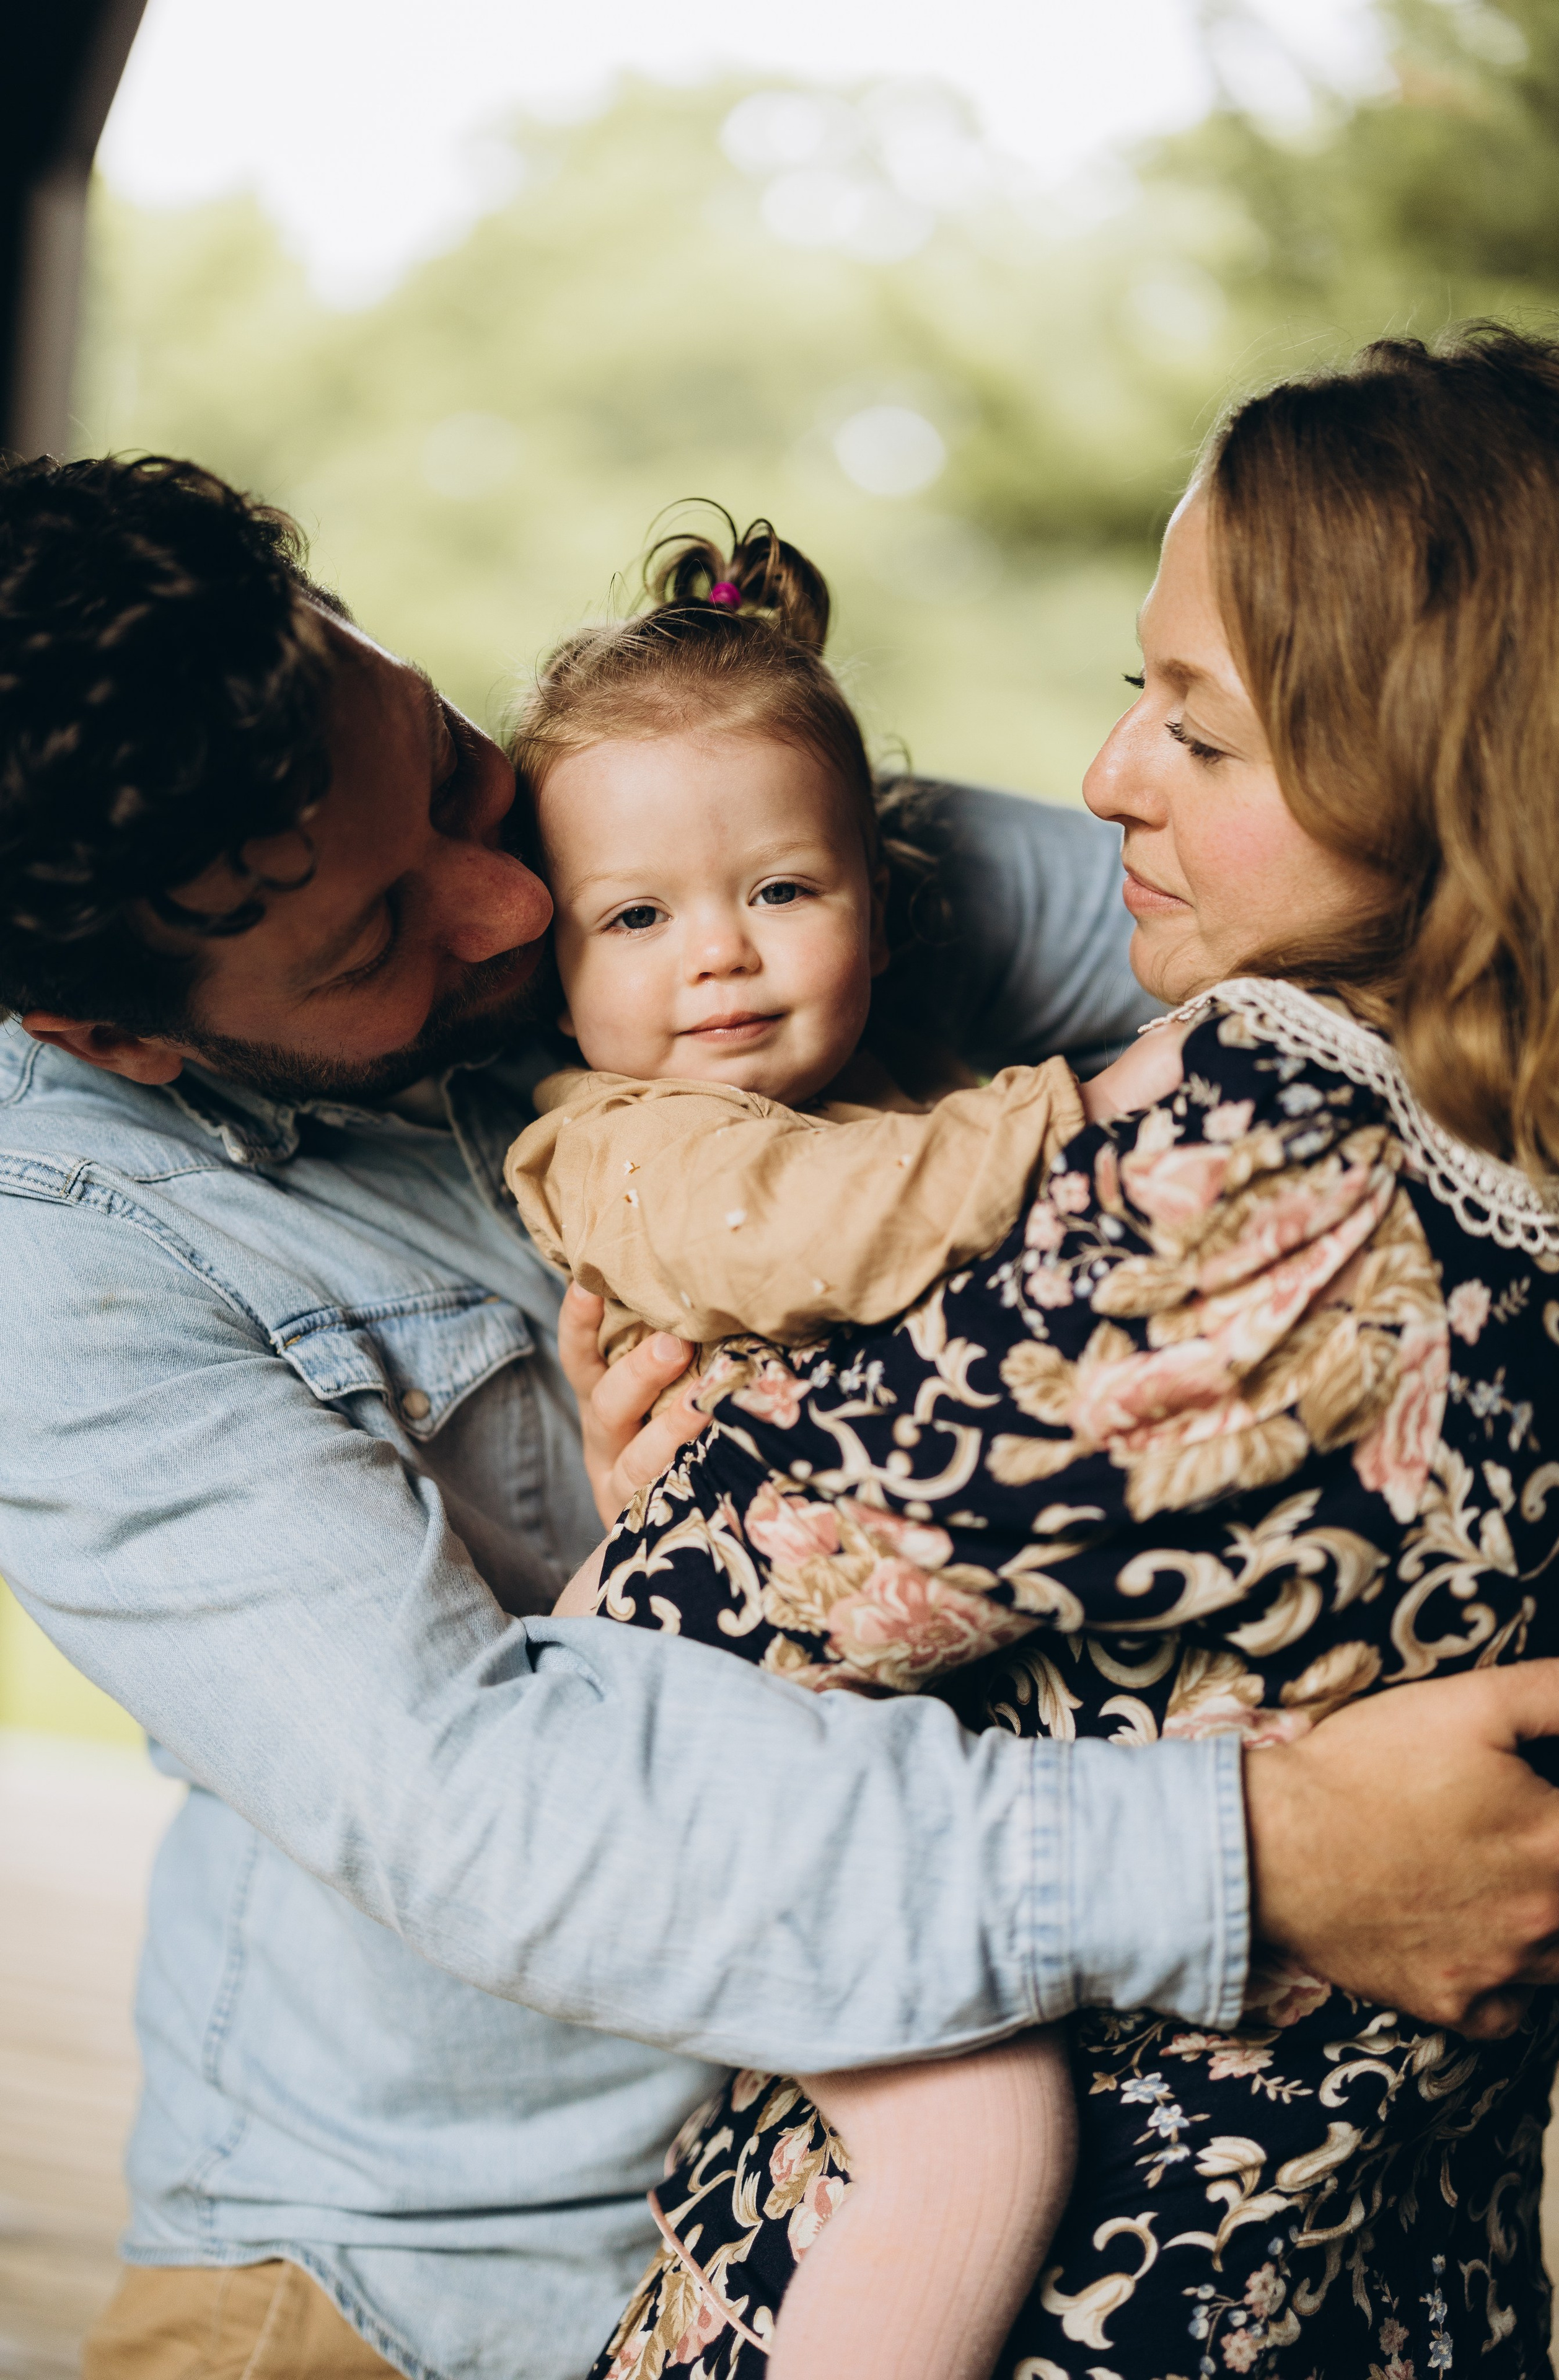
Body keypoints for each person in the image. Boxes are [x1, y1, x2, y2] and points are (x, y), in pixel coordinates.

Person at [0, 452, 1559, 2380]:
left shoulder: (709, 840)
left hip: (853, 2207)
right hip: (414, 2272)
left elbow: (1360, 915)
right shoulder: (60, 1260)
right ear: (119, 1036)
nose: (515, 910)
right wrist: (1272, 1851)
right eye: (373, 943)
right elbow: (492, 1816)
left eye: (449, 773)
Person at [564, 325, 1559, 2380]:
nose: (1113, 769)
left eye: (1201, 733)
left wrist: (656, 1496)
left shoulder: (1258, 1160)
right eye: (1140, 690)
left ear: (1439, 764)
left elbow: (629, 1700)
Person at [505, 513, 1188, 2380]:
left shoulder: (905, 1094)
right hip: (687, 1728)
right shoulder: (627, 1147)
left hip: (855, 1731)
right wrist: (1117, 1111)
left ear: (879, 901)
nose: (717, 958)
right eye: (636, 918)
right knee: (979, 2129)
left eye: (783, 891)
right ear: (546, 965)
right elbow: (837, 1234)